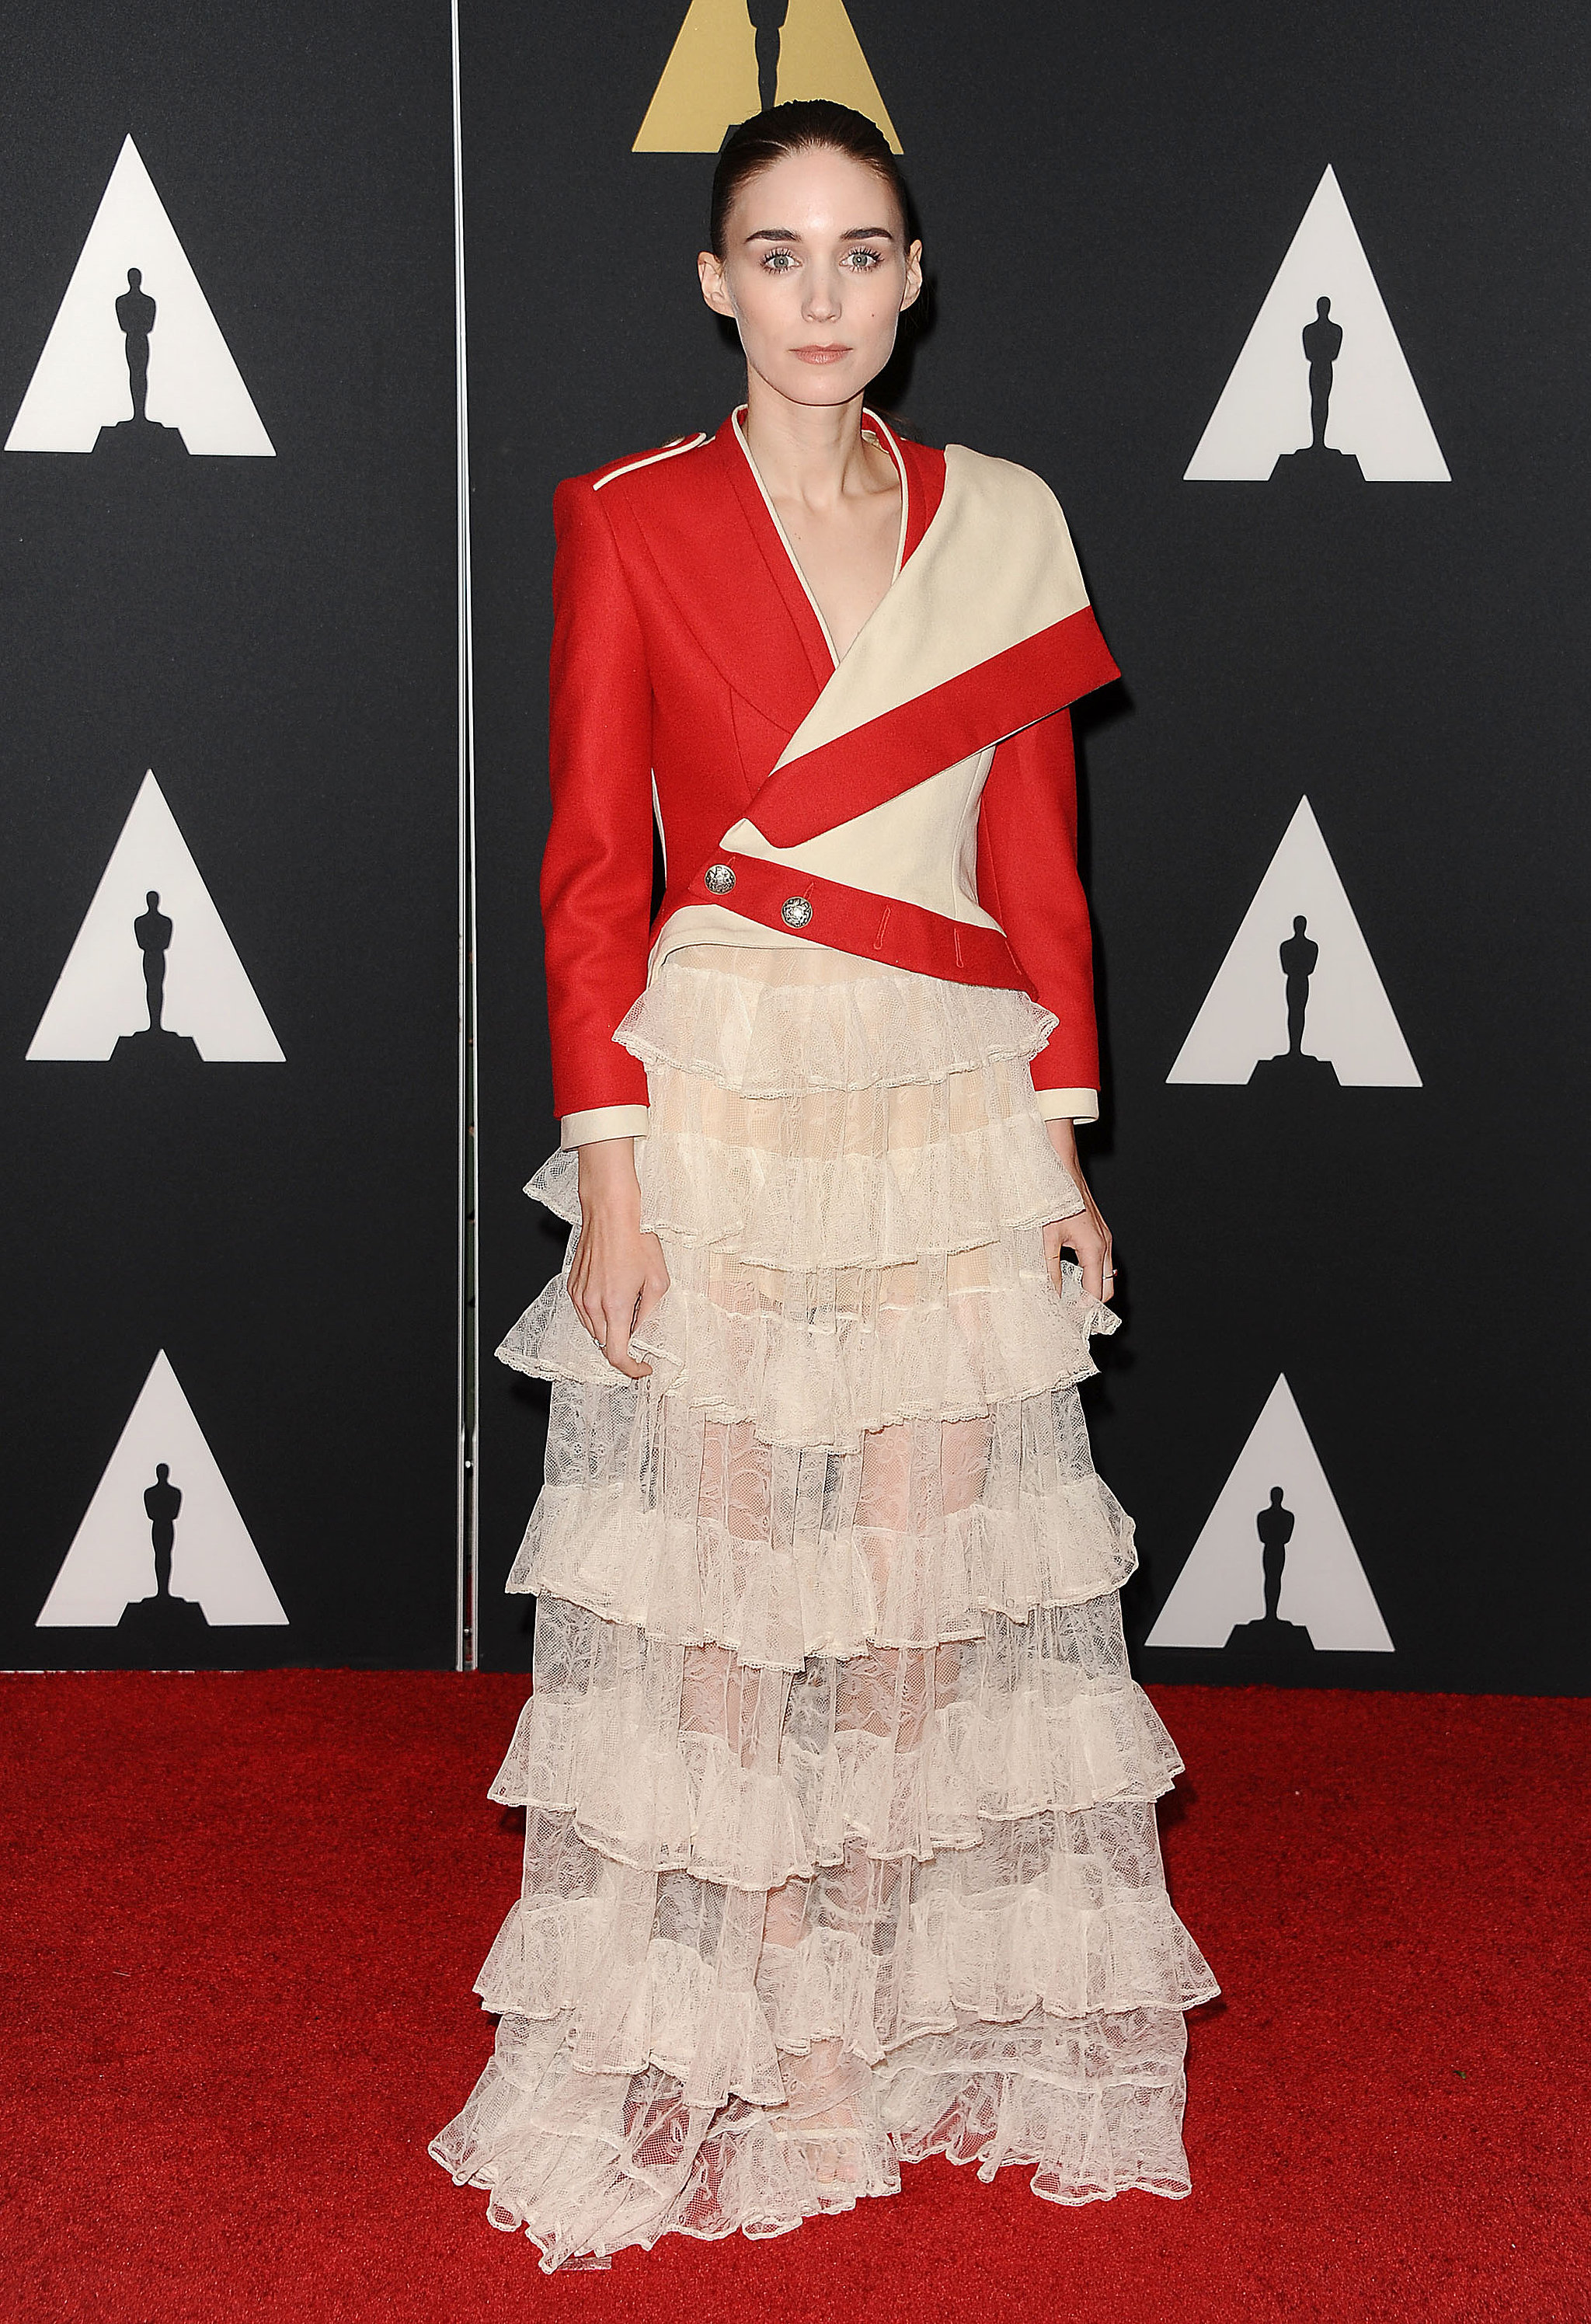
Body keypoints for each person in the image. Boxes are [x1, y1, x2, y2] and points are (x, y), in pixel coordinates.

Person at [432, 99, 1216, 2270]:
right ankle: (724, 2030)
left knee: (906, 1577)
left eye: (860, 253)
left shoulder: (1011, 521)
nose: (820, 298)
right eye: (774, 256)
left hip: (944, 1094)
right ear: (713, 281)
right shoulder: (628, 517)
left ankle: (858, 2024)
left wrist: (1058, 1141)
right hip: (729, 1086)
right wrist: (611, 1173)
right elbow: (599, 873)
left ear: (917, 275)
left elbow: (1037, 863)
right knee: (722, 1592)